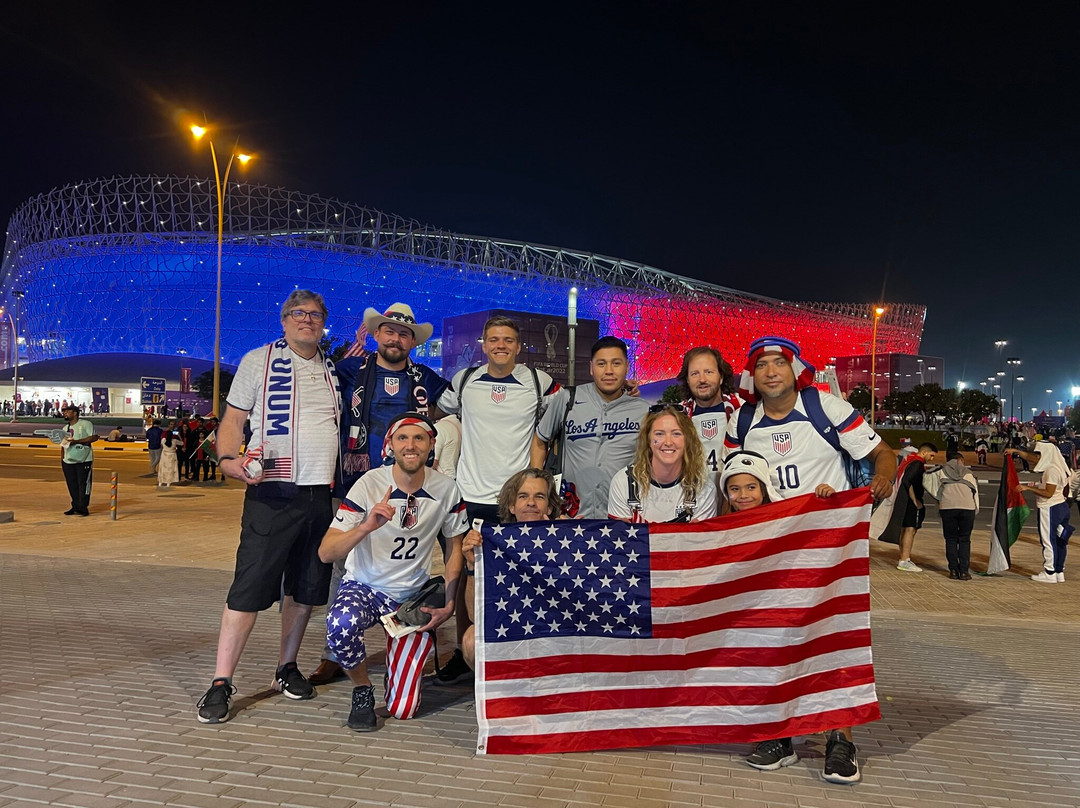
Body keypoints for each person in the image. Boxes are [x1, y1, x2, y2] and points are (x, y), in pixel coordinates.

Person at [722, 336, 894, 785]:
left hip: (826, 548)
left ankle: (841, 739)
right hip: (768, 550)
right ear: (752, 376)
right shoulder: (742, 419)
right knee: (772, 641)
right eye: (761, 366)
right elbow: (730, 477)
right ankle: (781, 734)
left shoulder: (825, 407)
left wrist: (883, 482)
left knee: (833, 640)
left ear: (795, 369)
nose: (771, 371)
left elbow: (881, 454)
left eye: (779, 363)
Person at [196, 290, 341, 725]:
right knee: (250, 588)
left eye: (316, 315)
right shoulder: (259, 360)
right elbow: (233, 421)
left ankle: (286, 667)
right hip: (272, 491)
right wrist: (226, 460)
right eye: (299, 313)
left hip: (320, 495)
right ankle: (222, 681)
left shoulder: (331, 369)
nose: (307, 320)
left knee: (304, 590)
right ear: (284, 320)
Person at [309, 302, 449, 687]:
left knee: (420, 554)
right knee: (343, 565)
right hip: (357, 481)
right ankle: (334, 653)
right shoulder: (350, 370)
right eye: (389, 331)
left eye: (404, 334)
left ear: (412, 342)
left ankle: (410, 637)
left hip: (413, 487)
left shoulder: (427, 379)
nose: (396, 338)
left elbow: (461, 404)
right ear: (376, 334)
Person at [317, 413, 467, 732]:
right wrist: (367, 526)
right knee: (340, 624)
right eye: (402, 438)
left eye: (419, 438)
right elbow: (326, 552)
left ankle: (398, 663)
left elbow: (455, 547)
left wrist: (450, 603)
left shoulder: (447, 490)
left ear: (431, 446)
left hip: (409, 598)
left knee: (403, 708)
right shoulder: (369, 484)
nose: (410, 445)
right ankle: (361, 689)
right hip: (364, 587)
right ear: (390, 446)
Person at [434, 315, 560, 683]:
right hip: (470, 496)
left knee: (518, 577)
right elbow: (436, 415)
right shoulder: (465, 380)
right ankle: (463, 649)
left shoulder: (540, 382)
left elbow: (555, 423)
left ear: (519, 346)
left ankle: (518, 651)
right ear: (484, 345)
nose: (500, 345)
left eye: (508, 339)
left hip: (516, 501)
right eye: (493, 339)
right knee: (463, 575)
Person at [717, 452, 836, 773]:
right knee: (758, 672)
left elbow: (821, 528)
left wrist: (824, 499)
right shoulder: (720, 527)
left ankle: (796, 735)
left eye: (751, 487)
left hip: (784, 614)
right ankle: (776, 738)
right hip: (746, 619)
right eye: (735, 489)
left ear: (764, 487)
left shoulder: (787, 517)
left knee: (787, 667)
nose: (743, 496)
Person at [531, 336, 649, 518]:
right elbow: (540, 440)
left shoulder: (642, 410)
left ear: (627, 367)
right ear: (591, 368)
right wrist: (538, 488)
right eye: (601, 364)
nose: (609, 371)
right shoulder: (567, 399)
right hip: (570, 515)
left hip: (623, 516)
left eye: (616, 363)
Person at [460, 467, 561, 669]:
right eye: (523, 496)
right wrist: (472, 565)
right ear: (512, 506)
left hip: (556, 626)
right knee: (471, 640)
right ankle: (501, 693)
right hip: (511, 624)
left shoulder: (564, 540)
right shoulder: (491, 543)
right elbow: (473, 615)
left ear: (549, 507)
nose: (531, 502)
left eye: (539, 496)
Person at [608, 405, 717, 522]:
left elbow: (699, 540)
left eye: (676, 434)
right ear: (648, 439)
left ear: (688, 440)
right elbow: (620, 538)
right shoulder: (624, 481)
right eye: (659, 434)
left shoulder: (704, 487)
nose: (668, 442)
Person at [1006, 442, 1073, 583]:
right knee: (1060, 541)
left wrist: (1028, 488)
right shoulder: (1060, 465)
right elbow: (1032, 458)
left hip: (1050, 507)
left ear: (1047, 455)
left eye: (1040, 454)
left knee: (1048, 540)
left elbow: (1048, 493)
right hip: (1061, 506)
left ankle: (1049, 572)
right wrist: (1015, 451)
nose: (1037, 457)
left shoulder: (1052, 470)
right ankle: (1059, 571)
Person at [678, 346, 741, 475]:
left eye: (709, 372)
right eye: (695, 373)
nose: (702, 379)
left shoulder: (742, 408)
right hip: (694, 493)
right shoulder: (679, 416)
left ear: (721, 377)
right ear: (687, 380)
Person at [926, 450, 979, 580]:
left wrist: (938, 499)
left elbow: (927, 480)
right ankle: (964, 572)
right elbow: (975, 493)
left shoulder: (941, 471)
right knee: (964, 539)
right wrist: (975, 509)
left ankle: (953, 571)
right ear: (960, 460)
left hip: (948, 508)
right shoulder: (969, 474)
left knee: (950, 539)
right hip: (967, 509)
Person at [894, 443, 937, 572]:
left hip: (902, 499)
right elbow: (909, 481)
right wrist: (915, 501)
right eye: (931, 455)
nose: (932, 459)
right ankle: (904, 560)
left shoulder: (909, 460)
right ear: (924, 452)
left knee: (905, 530)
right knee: (910, 530)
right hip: (910, 502)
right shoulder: (917, 464)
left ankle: (903, 557)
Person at [60, 404, 98, 516]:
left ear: (75, 413)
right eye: (64, 411)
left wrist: (77, 441)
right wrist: (62, 459)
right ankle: (75, 505)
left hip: (84, 460)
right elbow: (63, 445)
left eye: (67, 411)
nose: (65, 413)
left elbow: (94, 437)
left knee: (84, 484)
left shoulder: (86, 424)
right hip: (68, 461)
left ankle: (83, 507)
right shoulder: (65, 429)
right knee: (72, 484)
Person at [433, 413, 461, 479]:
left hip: (440, 479)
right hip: (453, 477)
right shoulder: (458, 424)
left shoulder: (438, 428)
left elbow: (433, 463)